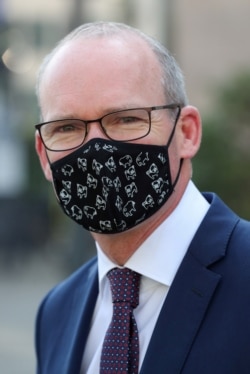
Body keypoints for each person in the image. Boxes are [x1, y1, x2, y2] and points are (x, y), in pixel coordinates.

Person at [34, 21, 250, 374]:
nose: (96, 149)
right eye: (67, 127)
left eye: (126, 119)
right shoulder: (56, 312)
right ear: (44, 155)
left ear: (187, 132)